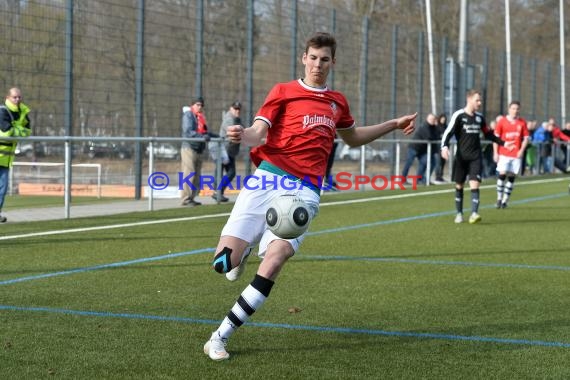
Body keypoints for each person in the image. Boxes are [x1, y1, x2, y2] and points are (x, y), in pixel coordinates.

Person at [203, 32, 417, 361]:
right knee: (222, 264)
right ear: (304, 58)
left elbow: (355, 138)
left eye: (325, 59)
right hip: (268, 178)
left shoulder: (337, 102)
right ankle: (241, 253)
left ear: (333, 62)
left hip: (305, 190)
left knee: (276, 258)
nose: (318, 64)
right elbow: (257, 133)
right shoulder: (283, 92)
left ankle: (220, 336)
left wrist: (393, 123)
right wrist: (239, 134)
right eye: (313, 57)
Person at [440, 89, 514, 224]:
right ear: (469, 99)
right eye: (477, 100)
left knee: (475, 184)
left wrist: (504, 143)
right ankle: (459, 213)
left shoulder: (480, 118)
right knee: (459, 185)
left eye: (480, 100)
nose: (479, 103)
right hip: (461, 157)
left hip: (476, 157)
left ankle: (474, 213)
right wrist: (444, 146)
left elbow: (489, 134)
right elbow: (448, 132)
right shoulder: (459, 115)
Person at [0, 87, 31, 223]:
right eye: (14, 97)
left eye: (19, 97)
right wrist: (18, 130)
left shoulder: (23, 111)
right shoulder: (2, 111)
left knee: (2, 189)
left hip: (6, 159)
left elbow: (27, 132)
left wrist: (16, 130)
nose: (17, 99)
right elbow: (6, 132)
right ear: (7, 97)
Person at [492, 101, 530, 209]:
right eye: (513, 108)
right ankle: (499, 198)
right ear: (509, 109)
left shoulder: (522, 123)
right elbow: (495, 138)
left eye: (517, 109)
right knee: (502, 174)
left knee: (512, 176)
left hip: (516, 154)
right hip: (503, 153)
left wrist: (521, 150)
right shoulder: (502, 121)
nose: (515, 111)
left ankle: (505, 201)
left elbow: (526, 138)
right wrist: (495, 152)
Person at [180, 97, 209, 206]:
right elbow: (188, 131)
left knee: (197, 174)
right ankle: (185, 198)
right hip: (189, 147)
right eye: (198, 104)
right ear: (192, 105)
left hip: (199, 148)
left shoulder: (200, 117)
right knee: (189, 172)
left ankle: (192, 197)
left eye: (201, 105)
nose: (200, 107)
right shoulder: (188, 115)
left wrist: (218, 136)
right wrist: (202, 136)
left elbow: (206, 132)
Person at [216, 101, 243, 202]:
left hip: (230, 150)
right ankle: (218, 191)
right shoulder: (229, 118)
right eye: (235, 109)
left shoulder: (237, 119)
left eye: (239, 109)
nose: (237, 111)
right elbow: (234, 132)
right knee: (230, 172)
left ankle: (218, 192)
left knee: (225, 172)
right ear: (231, 108)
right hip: (225, 149)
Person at [401, 113, 439, 184]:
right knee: (408, 163)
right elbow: (429, 138)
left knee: (425, 162)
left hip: (422, 151)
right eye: (431, 119)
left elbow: (437, 136)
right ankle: (403, 180)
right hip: (414, 148)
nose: (432, 120)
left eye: (433, 119)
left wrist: (436, 126)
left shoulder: (434, 128)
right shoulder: (424, 126)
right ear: (427, 119)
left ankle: (419, 179)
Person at [434, 113, 448, 183]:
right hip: (438, 148)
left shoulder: (446, 127)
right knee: (438, 162)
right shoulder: (437, 126)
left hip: (444, 148)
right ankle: (437, 176)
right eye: (442, 118)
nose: (443, 120)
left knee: (443, 162)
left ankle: (441, 176)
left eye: (444, 119)